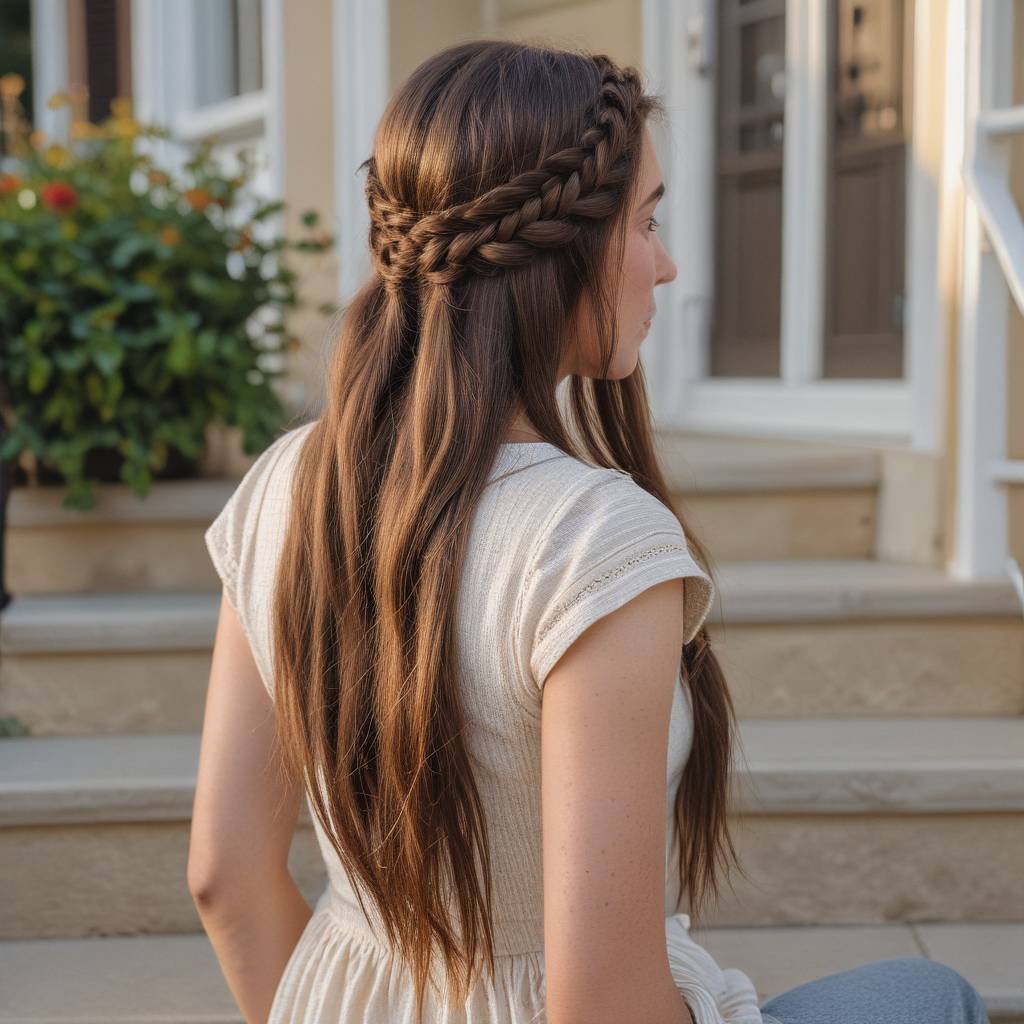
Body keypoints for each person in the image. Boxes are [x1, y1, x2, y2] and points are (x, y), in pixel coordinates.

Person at [188, 38, 991, 1024]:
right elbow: (600, 1006)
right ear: (559, 250)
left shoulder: (285, 484)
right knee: (928, 993)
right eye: (646, 222)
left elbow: (224, 875)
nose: (664, 265)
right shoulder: (593, 544)